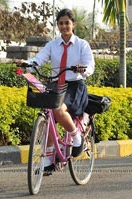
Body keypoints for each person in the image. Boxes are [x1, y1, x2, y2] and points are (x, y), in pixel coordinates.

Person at [17, 8, 95, 170]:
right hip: (56, 85)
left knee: (57, 109)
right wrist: (27, 65)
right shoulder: (52, 45)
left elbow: (90, 66)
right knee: (49, 117)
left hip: (74, 87)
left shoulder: (82, 45)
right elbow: (38, 59)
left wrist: (83, 69)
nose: (64, 26)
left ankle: (76, 137)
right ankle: (49, 160)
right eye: (61, 23)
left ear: (73, 24)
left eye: (67, 23)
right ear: (57, 26)